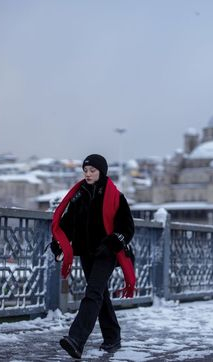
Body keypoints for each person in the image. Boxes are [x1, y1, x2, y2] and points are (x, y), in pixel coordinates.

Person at [50, 154, 135, 359]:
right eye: (85, 171)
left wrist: (114, 241)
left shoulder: (116, 196)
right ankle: (113, 337)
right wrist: (59, 243)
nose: (88, 174)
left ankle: (76, 339)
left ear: (101, 172)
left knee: (93, 293)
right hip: (87, 252)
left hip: (106, 253)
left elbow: (128, 226)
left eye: (92, 171)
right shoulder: (79, 195)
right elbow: (68, 223)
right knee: (100, 295)